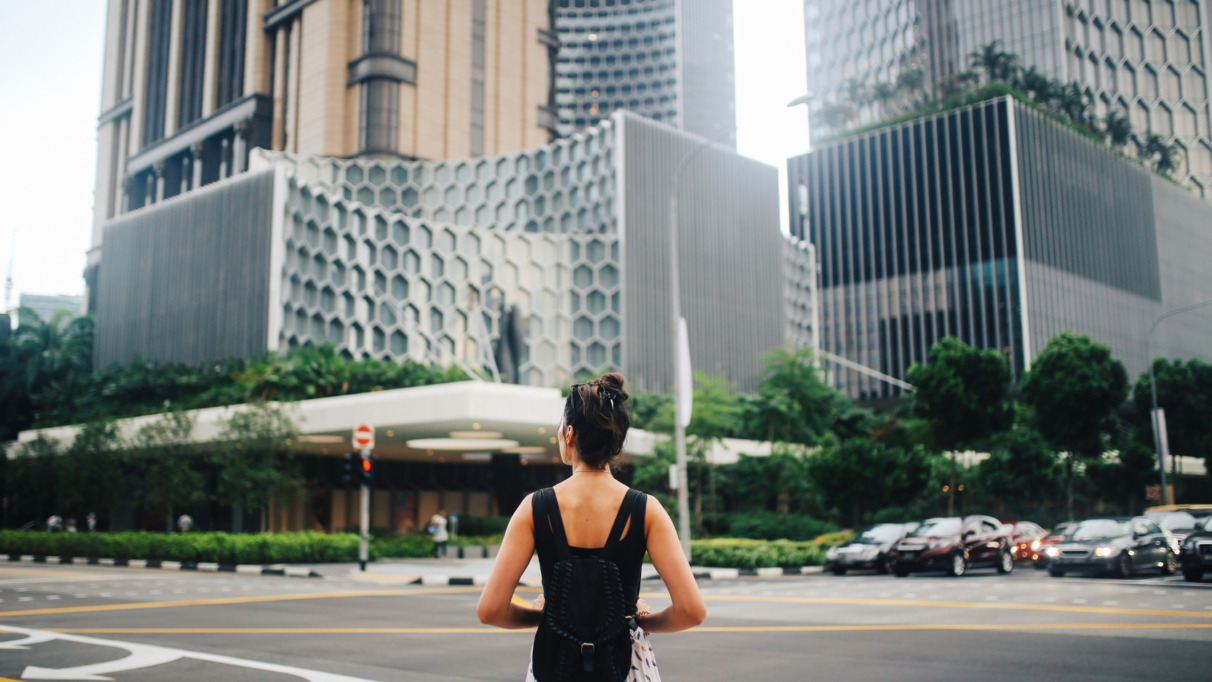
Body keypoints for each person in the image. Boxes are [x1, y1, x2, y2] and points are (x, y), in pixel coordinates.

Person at [477, 373, 706, 679]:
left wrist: (548, 614)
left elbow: (490, 610)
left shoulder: (535, 507)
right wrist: (635, 619)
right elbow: (692, 611)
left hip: (555, 664)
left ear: (569, 434)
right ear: (616, 440)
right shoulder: (646, 509)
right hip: (624, 667)